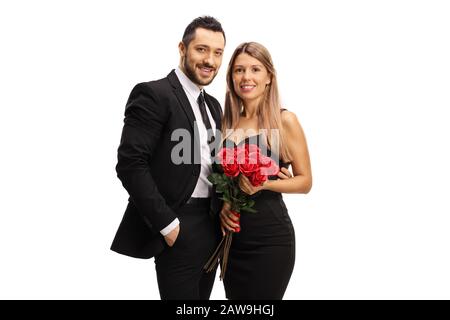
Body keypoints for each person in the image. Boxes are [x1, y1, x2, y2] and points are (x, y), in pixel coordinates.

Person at [110, 16, 226, 300]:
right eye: (201, 49)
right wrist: (169, 226)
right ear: (182, 48)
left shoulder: (213, 105)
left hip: (212, 227)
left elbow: (216, 166)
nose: (210, 60)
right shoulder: (154, 94)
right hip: (178, 224)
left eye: (218, 52)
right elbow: (130, 164)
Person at [219, 42, 313, 299]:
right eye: (239, 70)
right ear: (231, 78)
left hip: (270, 240)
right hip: (233, 242)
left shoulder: (284, 121)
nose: (246, 77)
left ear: (269, 77)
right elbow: (222, 181)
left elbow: (305, 182)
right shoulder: (225, 122)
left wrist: (265, 183)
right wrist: (226, 206)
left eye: (255, 69)